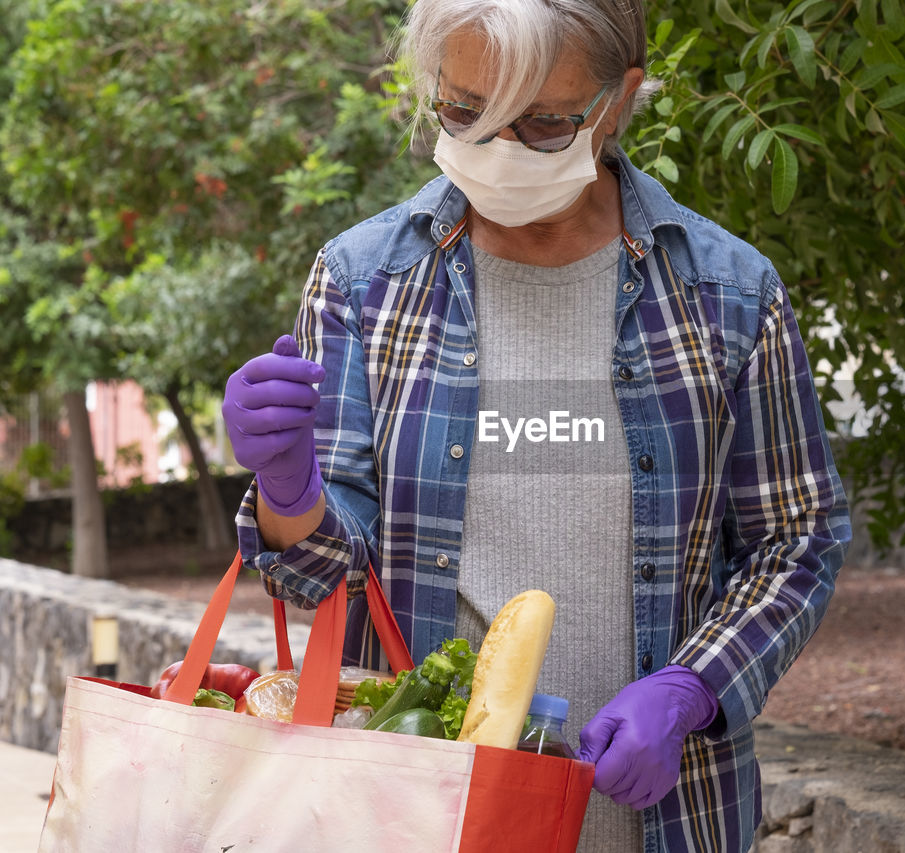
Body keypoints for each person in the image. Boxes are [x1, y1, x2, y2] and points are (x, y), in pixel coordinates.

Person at [222, 1, 851, 850]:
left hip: (662, 819)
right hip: (412, 819)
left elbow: (798, 540)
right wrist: (288, 489)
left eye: (545, 122)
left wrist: (692, 687)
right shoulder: (364, 283)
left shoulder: (730, 299)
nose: (499, 147)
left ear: (618, 101)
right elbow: (320, 574)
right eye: (464, 111)